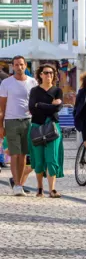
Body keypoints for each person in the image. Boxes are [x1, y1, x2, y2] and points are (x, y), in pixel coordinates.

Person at [0, 56, 38, 196]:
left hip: (27, 120)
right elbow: (2, 106)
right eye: (16, 65)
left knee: (23, 154)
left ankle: (19, 184)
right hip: (11, 120)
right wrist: (1, 126)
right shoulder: (6, 83)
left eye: (21, 64)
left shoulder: (32, 82)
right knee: (15, 154)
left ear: (25, 66)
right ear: (12, 66)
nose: (19, 67)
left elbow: (35, 102)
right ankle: (16, 184)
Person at [28, 64, 64, 198]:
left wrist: (40, 105)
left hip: (53, 127)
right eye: (46, 73)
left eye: (51, 73)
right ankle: (39, 188)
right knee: (38, 159)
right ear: (40, 75)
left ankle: (52, 189)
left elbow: (57, 109)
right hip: (37, 126)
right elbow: (32, 108)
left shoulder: (57, 91)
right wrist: (50, 105)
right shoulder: (34, 91)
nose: (49, 75)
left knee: (52, 158)